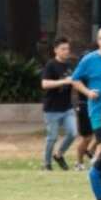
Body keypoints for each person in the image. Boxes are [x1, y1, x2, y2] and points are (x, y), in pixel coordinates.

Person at [41, 37, 77, 171]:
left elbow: (74, 82)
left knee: (73, 133)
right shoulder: (50, 65)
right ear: (55, 50)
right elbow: (44, 84)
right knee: (52, 137)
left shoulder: (70, 65)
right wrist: (63, 81)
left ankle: (59, 154)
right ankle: (46, 164)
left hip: (67, 108)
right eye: (63, 49)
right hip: (52, 109)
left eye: (67, 49)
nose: (66, 51)